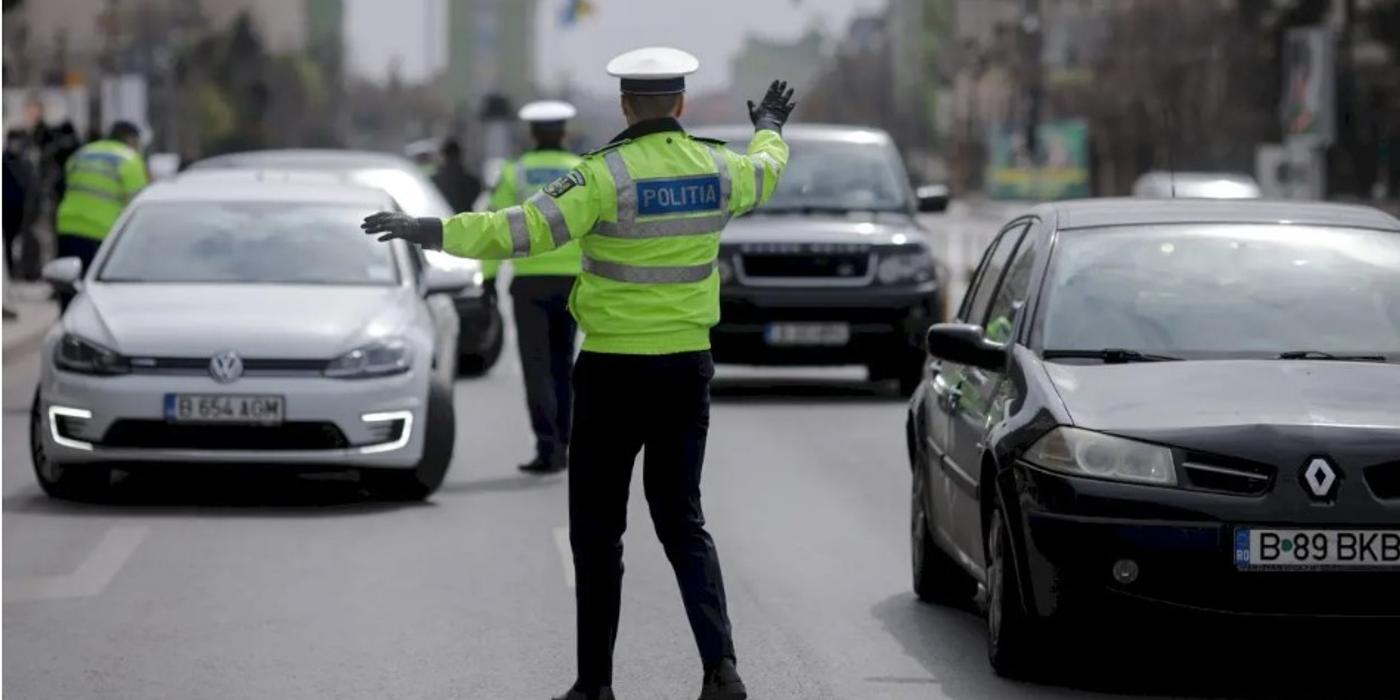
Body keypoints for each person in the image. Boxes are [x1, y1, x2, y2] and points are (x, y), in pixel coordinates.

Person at [362, 47, 795, 700]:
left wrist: (429, 229)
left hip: (614, 373)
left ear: (626, 104)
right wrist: (769, 126)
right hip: (686, 371)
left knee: (598, 533)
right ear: (679, 105)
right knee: (682, 520)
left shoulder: (603, 176)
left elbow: (520, 230)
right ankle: (722, 671)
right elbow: (766, 171)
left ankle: (594, 687)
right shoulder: (717, 168)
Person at [483, 100, 585, 474]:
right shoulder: (580, 171)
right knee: (566, 366)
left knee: (537, 367)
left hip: (529, 284)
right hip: (574, 281)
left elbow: (496, 228)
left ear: (532, 134)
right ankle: (567, 441)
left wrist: (489, 278)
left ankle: (548, 447)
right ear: (564, 133)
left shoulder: (516, 173)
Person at [53, 121, 147, 301]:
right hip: (101, 231)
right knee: (95, 292)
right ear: (130, 139)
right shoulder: (130, 159)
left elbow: (66, 182)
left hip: (67, 225)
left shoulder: (83, 153)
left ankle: (68, 321)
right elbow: (138, 204)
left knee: (68, 284)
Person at [431, 139, 483, 216]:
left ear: (444, 155)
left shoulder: (434, 180)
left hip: (442, 222)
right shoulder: (472, 181)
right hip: (465, 223)